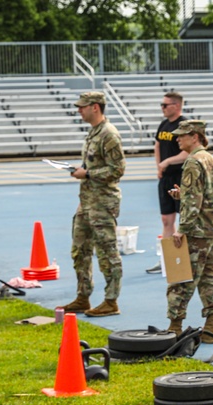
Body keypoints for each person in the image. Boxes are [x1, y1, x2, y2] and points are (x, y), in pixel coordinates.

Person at [60, 91, 126, 318]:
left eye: (83, 106)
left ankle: (111, 300)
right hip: (87, 202)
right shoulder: (93, 133)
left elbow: (118, 170)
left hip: (103, 203)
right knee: (80, 250)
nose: (79, 110)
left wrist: (87, 174)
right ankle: (83, 295)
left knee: (107, 252)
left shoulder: (109, 134)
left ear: (95, 107)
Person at [164, 120, 213, 343]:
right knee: (211, 278)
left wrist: (183, 229)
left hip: (198, 232)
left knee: (181, 279)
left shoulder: (192, 162)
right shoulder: (211, 160)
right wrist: (185, 195)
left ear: (195, 137)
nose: (178, 139)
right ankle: (210, 326)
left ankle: (175, 326)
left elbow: (194, 201)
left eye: (182, 135)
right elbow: (211, 195)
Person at [147, 92, 188, 274]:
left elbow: (187, 152)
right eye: (161, 105)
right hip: (165, 178)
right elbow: (157, 145)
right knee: (166, 219)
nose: (162, 108)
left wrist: (168, 161)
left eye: (165, 105)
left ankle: (185, 258)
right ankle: (166, 259)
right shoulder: (163, 125)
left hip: (180, 178)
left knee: (185, 219)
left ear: (176, 106)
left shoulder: (184, 125)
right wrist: (159, 166)